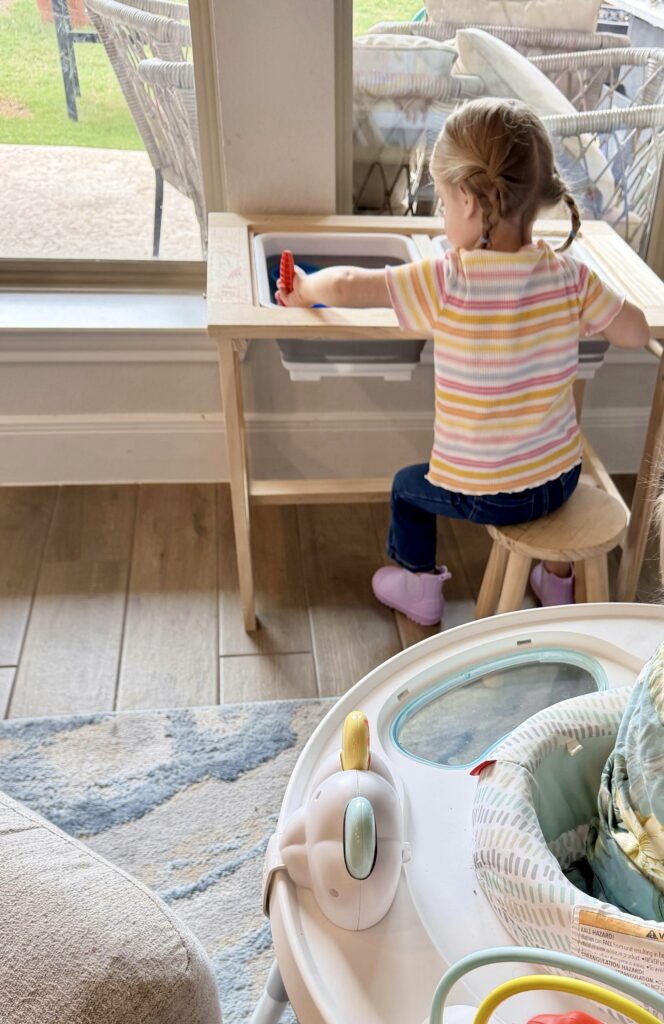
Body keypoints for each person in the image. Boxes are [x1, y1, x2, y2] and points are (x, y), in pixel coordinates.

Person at [276, 98, 649, 626]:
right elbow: (633, 332)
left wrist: (303, 290)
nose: (442, 216)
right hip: (561, 479)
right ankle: (555, 579)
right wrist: (599, 308)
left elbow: (348, 285)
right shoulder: (570, 276)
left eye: (443, 204)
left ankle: (420, 586)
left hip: (486, 496)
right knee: (553, 462)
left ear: (470, 201)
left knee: (408, 489)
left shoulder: (450, 278)